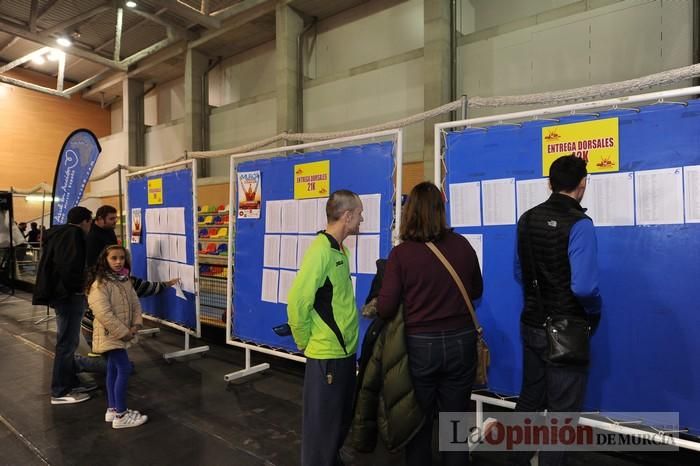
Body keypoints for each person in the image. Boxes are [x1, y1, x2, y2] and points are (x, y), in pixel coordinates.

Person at [377, 181, 483, 466]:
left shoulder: (402, 255)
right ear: (440, 210)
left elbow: (386, 306)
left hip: (420, 346)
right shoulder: (462, 246)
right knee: (455, 426)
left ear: (410, 212)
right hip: (461, 343)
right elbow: (476, 292)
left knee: (418, 424)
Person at [510, 155, 601, 466]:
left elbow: (519, 272)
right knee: (561, 416)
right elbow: (584, 287)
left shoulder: (526, 219)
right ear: (582, 184)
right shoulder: (580, 224)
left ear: (550, 184)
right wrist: (594, 312)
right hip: (566, 332)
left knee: (529, 401)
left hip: (532, 323)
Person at [287, 189, 363, 466]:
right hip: (326, 356)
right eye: (359, 214)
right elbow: (297, 301)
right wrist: (304, 341)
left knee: (337, 425)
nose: (362, 219)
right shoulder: (321, 251)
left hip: (343, 354)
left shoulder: (338, 249)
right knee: (321, 433)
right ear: (347, 215)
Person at [33, 206, 95, 405]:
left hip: (61, 295)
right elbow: (68, 266)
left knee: (68, 342)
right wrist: (78, 288)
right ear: (86, 221)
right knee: (66, 344)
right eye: (90, 222)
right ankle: (60, 391)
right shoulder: (73, 235)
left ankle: (70, 381)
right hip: (67, 296)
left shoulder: (59, 234)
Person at [86, 244, 148, 429]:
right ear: (105, 260)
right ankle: (121, 415)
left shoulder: (124, 280)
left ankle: (112, 409)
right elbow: (103, 314)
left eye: (121, 258)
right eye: (113, 258)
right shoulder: (100, 284)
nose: (118, 262)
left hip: (121, 334)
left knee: (113, 368)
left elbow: (135, 302)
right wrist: (124, 332)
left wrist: (136, 323)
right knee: (124, 368)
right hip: (110, 335)